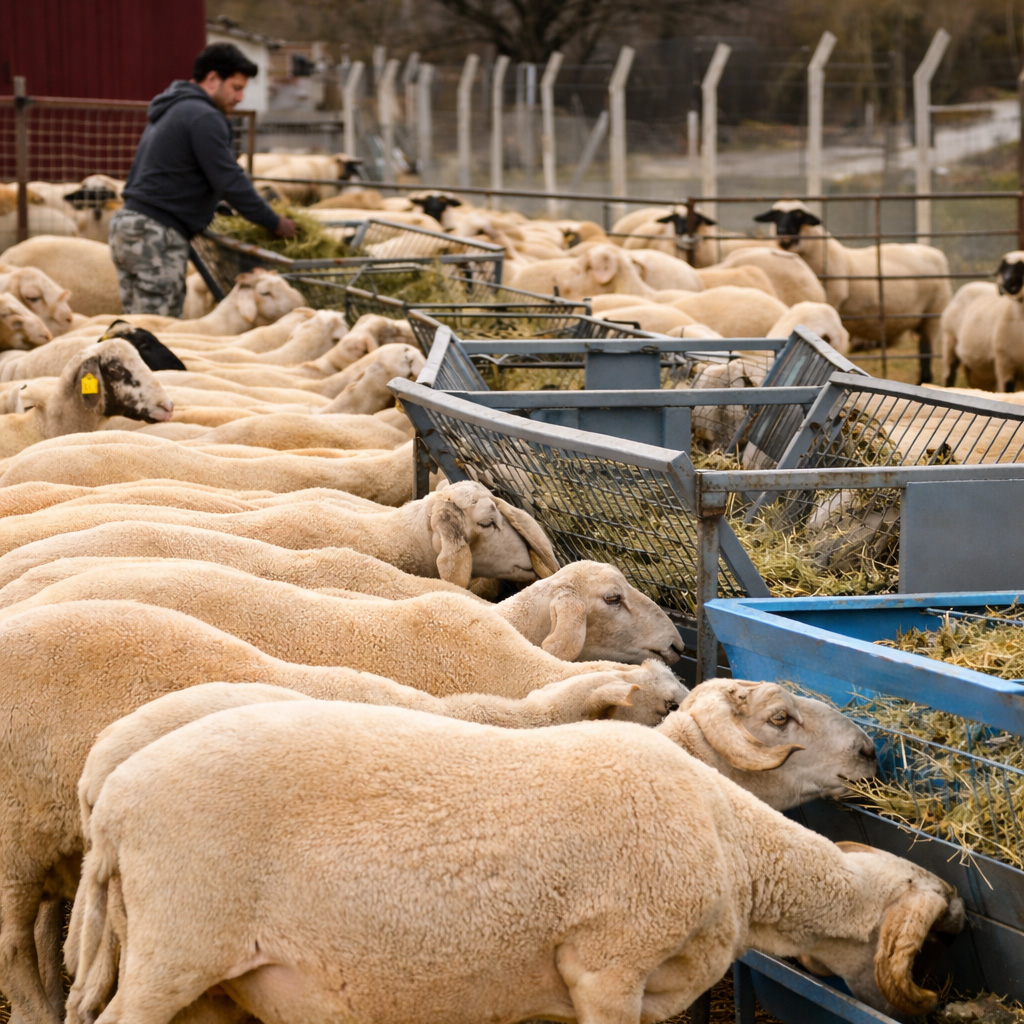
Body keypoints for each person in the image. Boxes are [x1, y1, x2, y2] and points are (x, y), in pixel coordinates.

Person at [109, 42, 297, 316]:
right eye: (236, 87)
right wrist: (274, 221)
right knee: (157, 330)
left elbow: (184, 171)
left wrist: (212, 207)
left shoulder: (175, 108)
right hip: (155, 234)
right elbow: (229, 179)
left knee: (138, 323)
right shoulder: (203, 116)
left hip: (130, 227)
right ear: (212, 79)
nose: (240, 97)